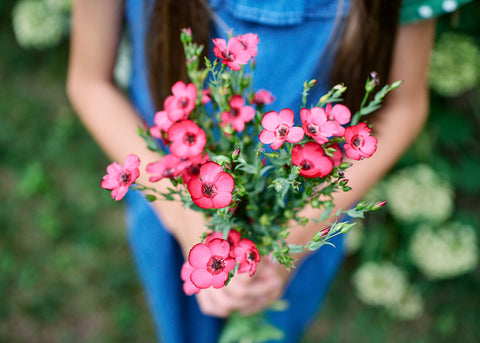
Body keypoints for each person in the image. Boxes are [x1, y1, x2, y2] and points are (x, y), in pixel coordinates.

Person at [66, 0, 470, 341]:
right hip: (173, 210)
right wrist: (186, 218)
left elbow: (403, 106)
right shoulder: (179, 216)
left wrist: (290, 242)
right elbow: (89, 82)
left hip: (306, 220)